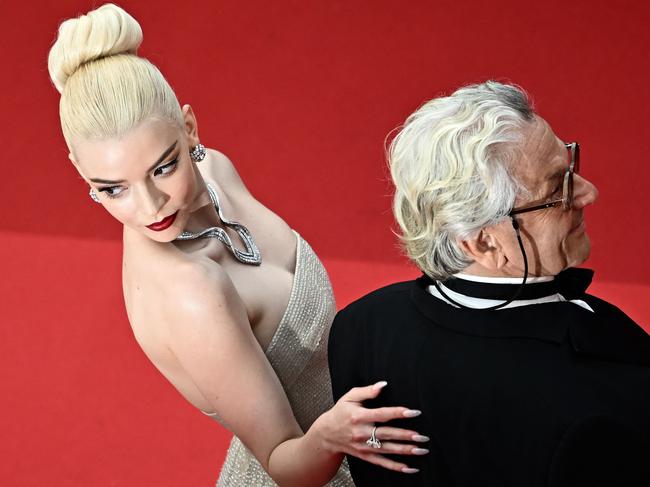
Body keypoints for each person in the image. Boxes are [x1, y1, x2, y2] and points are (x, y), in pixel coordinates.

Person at [47, 4, 431, 486]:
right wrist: (331, 435)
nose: (149, 207)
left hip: (375, 429)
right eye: (112, 188)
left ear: (189, 129)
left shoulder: (216, 170)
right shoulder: (191, 294)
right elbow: (285, 466)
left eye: (164, 167)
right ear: (82, 174)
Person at [329, 81, 650, 486]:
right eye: (558, 189)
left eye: (570, 165)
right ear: (485, 242)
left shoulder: (358, 324)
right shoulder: (594, 412)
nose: (588, 192)